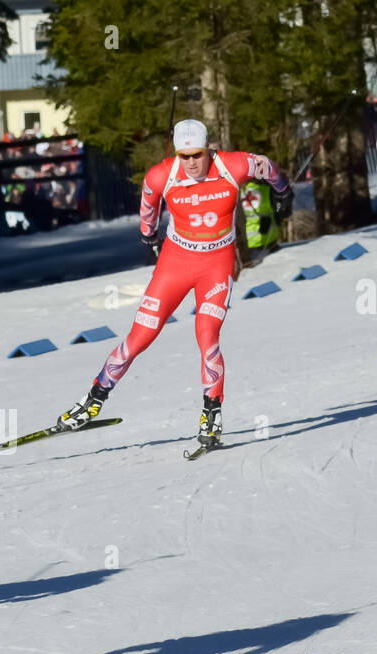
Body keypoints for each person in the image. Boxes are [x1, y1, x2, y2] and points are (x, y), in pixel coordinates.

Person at [56, 118, 292, 449]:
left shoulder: (232, 165)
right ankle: (93, 399)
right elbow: (147, 209)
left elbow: (267, 167)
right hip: (175, 264)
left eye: (196, 155)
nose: (191, 163)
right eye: (184, 156)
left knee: (207, 335)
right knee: (139, 338)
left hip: (216, 265)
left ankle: (211, 415)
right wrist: (148, 236)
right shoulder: (161, 174)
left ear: (207, 149)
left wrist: (282, 192)